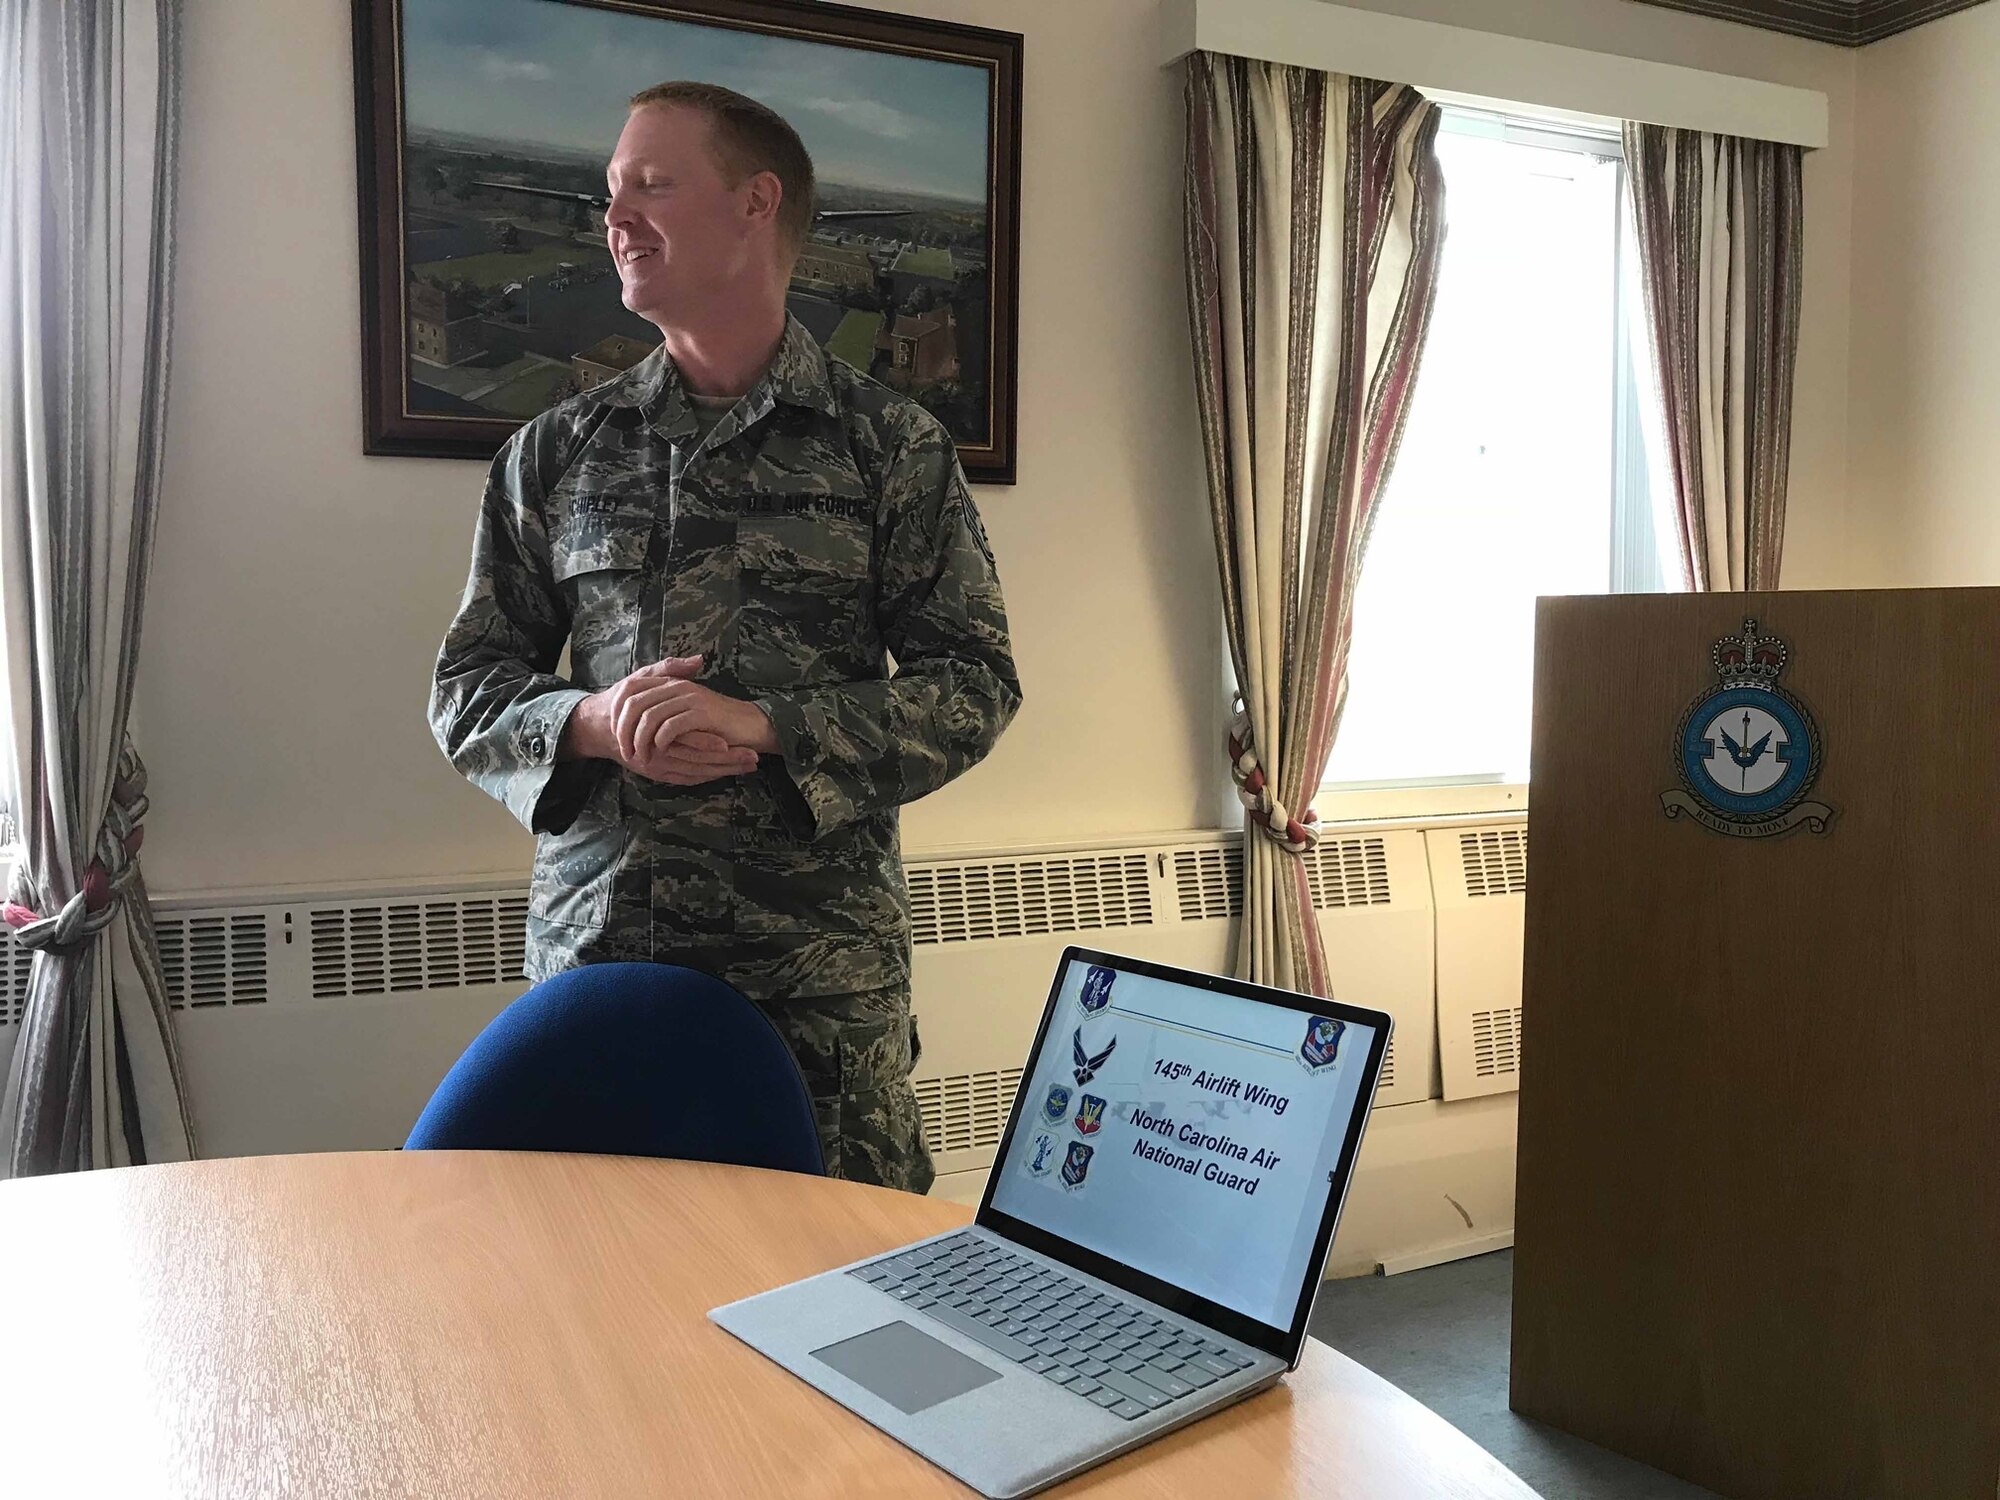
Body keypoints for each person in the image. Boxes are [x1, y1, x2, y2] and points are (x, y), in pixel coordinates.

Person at [428, 81, 1020, 1194]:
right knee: (583, 1291)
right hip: (599, 961)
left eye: (651, 183)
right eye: (610, 192)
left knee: (837, 1303)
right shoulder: (557, 453)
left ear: (755, 204)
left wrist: (769, 724)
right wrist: (592, 722)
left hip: (814, 987)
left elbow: (973, 682)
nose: (616, 217)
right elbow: (466, 689)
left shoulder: (889, 448)